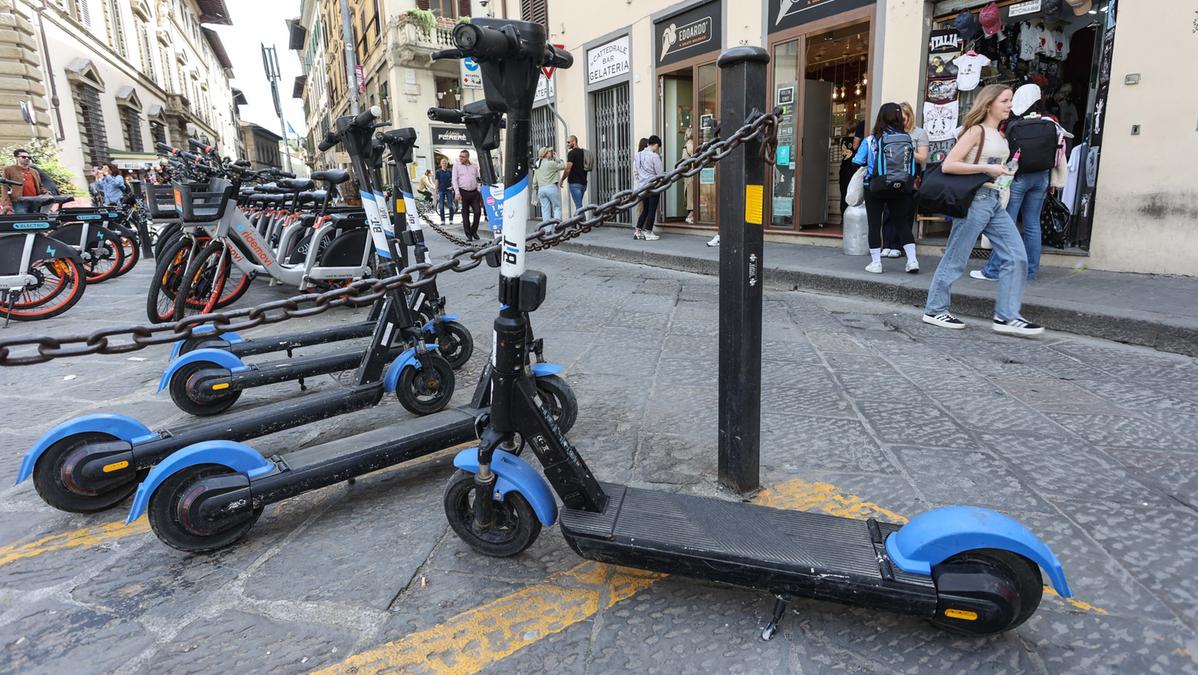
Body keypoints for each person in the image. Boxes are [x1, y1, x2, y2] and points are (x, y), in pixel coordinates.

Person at [923, 84, 1044, 337]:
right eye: (1005, 100)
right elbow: (949, 165)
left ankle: (1007, 316)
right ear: (989, 104)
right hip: (975, 200)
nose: (1010, 105)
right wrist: (987, 170)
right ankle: (934, 309)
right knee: (956, 258)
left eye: (1010, 101)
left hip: (994, 200)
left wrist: (1004, 172)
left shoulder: (1000, 135)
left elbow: (995, 167)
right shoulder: (976, 131)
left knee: (1016, 255)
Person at [972, 84, 1061, 283]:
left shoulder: (1013, 122)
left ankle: (994, 270)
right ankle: (1029, 272)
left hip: (1017, 176)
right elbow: (1058, 152)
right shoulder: (1051, 121)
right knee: (1032, 224)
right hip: (1042, 176)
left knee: (1005, 224)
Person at [852, 102, 919, 274]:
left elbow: (857, 161)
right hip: (901, 186)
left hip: (875, 186)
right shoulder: (906, 138)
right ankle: (912, 261)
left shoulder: (871, 139)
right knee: (902, 224)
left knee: (874, 225)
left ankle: (876, 263)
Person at [880, 102, 931, 258]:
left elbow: (922, 157)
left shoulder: (919, 133)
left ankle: (899, 245)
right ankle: (887, 244)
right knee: (888, 210)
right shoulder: (889, 133)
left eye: (904, 118)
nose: (901, 121)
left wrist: (904, 148)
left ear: (910, 117)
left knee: (906, 210)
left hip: (911, 175)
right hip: (892, 174)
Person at [633, 135, 663, 241]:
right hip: (653, 186)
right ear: (655, 145)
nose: (657, 149)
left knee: (645, 210)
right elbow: (659, 173)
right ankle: (649, 232)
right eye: (658, 147)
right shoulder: (654, 156)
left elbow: (636, 171)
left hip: (642, 187)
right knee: (651, 210)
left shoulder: (638, 155)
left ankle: (638, 230)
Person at [1, 148, 45, 213]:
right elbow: (4, 188)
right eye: (24, 157)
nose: (27, 158)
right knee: (22, 221)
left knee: (35, 221)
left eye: (29, 157)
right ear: (17, 158)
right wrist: (6, 204)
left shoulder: (34, 171)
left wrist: (46, 193)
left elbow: (40, 186)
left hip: (35, 202)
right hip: (19, 202)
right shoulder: (9, 169)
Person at [452, 150, 483, 240]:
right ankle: (468, 234)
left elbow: (478, 179)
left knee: (478, 212)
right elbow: (454, 180)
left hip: (474, 193)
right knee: (465, 214)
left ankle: (473, 231)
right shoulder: (456, 166)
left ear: (467, 157)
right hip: (463, 192)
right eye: (460, 156)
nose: (460, 158)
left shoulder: (474, 166)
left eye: (463, 157)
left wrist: (478, 190)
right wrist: (457, 192)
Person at [533, 146, 565, 221]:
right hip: (551, 187)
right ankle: (558, 227)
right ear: (546, 154)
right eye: (549, 152)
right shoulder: (550, 163)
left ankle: (547, 230)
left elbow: (534, 181)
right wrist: (557, 158)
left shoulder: (537, 165)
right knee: (556, 207)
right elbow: (563, 166)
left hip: (541, 189)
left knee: (545, 210)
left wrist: (535, 190)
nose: (551, 153)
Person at [561, 135, 588, 212]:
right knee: (578, 205)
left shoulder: (571, 153)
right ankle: (578, 222)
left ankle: (584, 223)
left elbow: (568, 168)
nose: (567, 144)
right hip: (583, 183)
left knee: (579, 206)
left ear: (574, 142)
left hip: (574, 184)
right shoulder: (584, 152)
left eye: (568, 142)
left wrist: (562, 179)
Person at [435, 158, 456, 224]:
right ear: (441, 164)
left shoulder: (450, 171)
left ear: (447, 164)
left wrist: (452, 187)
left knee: (450, 205)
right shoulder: (438, 171)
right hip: (441, 190)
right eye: (443, 163)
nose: (444, 164)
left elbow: (453, 180)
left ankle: (451, 220)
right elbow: (437, 181)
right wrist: (436, 189)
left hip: (449, 190)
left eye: (445, 163)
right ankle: (442, 220)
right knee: (441, 206)